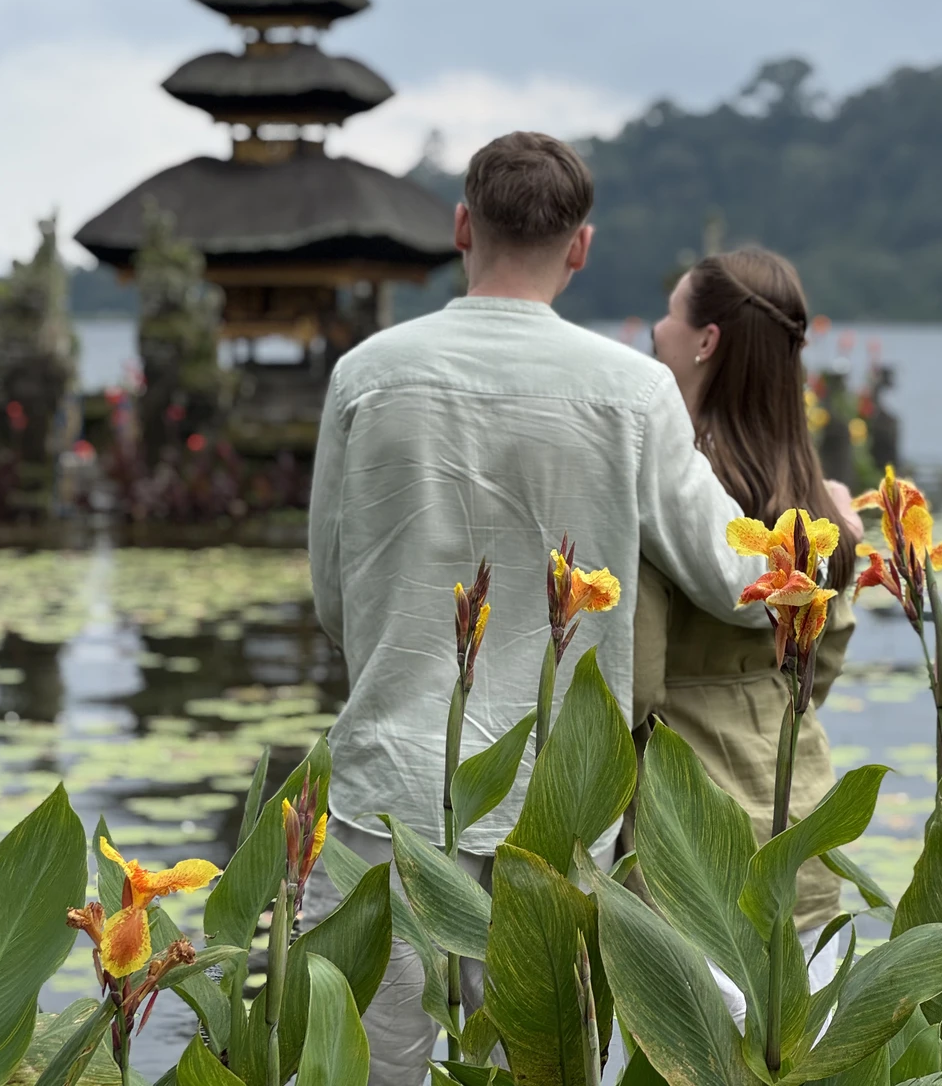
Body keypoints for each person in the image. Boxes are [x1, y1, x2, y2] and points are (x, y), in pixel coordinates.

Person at [308, 132, 770, 1086]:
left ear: (462, 226)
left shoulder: (366, 374)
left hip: (386, 791)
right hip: (553, 821)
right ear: (581, 247)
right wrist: (827, 540)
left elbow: (333, 593)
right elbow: (741, 588)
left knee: (363, 1072)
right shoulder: (633, 392)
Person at [629, 246, 861, 1026]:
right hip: (803, 823)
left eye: (670, 312)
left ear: (705, 342)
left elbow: (639, 682)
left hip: (693, 842)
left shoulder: (676, 494)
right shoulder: (813, 496)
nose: (656, 330)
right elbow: (818, 664)